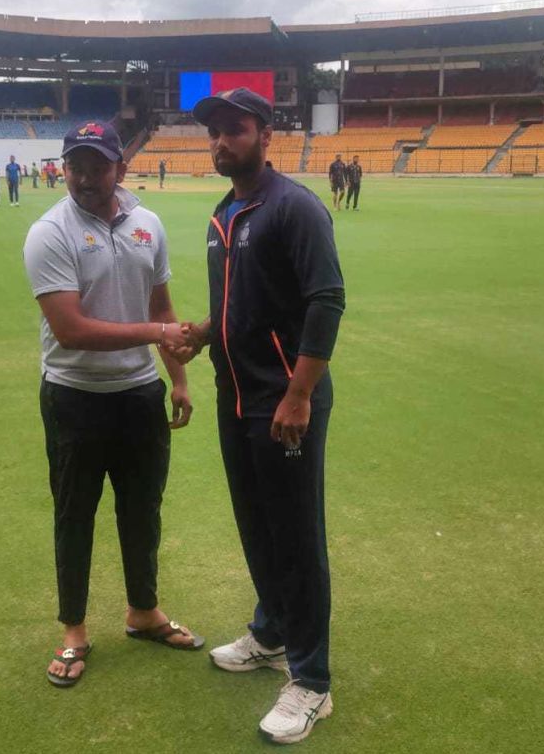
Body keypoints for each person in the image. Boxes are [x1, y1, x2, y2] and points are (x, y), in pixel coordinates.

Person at [174, 88, 345, 744]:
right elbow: (236, 312)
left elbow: (326, 301)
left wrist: (300, 395)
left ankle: (312, 680)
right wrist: (200, 334)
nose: (222, 141)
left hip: (285, 402)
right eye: (214, 132)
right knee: (257, 527)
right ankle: (273, 632)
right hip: (236, 399)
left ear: (265, 135)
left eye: (235, 130)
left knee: (297, 539)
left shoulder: (293, 208)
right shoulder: (224, 214)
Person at [23, 119, 206, 690]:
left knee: (141, 509)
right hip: (74, 398)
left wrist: (177, 379)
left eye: (96, 166)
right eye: (74, 165)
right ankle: (74, 630)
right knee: (74, 514)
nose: (83, 177)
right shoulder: (49, 232)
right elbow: (71, 330)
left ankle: (143, 611)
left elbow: (163, 303)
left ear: (119, 169)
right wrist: (157, 334)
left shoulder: (147, 224)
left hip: (139, 396)